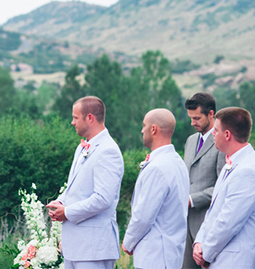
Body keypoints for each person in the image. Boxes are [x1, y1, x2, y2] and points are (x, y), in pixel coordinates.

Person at [47, 96, 124, 269]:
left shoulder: (108, 151)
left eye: (75, 117)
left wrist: (67, 212)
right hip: (75, 245)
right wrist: (60, 201)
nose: (72, 122)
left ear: (89, 118)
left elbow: (103, 199)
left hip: (94, 247)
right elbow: (74, 186)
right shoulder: (82, 147)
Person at [193, 107, 255, 269]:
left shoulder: (247, 171)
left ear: (227, 135)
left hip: (236, 261)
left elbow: (227, 222)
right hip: (222, 259)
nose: (212, 134)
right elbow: (213, 212)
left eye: (216, 130)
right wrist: (199, 241)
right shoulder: (233, 163)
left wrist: (205, 253)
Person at [122, 109, 189, 269]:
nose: (142, 130)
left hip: (155, 255)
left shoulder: (157, 168)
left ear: (154, 129)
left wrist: (128, 242)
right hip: (170, 253)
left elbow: (144, 216)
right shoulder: (177, 162)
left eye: (144, 126)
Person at [182, 93, 226, 269]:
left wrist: (192, 200)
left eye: (197, 118)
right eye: (191, 118)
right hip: (185, 226)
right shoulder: (190, 141)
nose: (193, 123)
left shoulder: (222, 142)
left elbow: (222, 186)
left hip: (208, 225)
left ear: (211, 114)